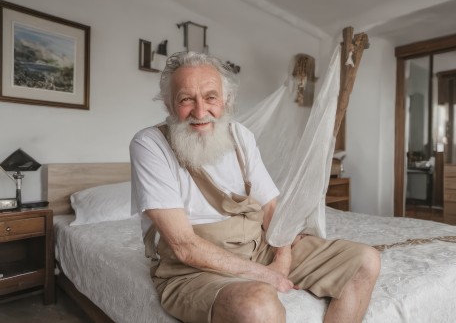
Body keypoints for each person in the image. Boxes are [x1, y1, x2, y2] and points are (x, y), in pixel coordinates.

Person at [130, 51, 380, 323]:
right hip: (193, 269)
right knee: (257, 305)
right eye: (186, 99)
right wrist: (266, 275)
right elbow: (184, 246)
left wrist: (282, 259)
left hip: (258, 248)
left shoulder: (240, 136)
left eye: (211, 97)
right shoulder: (149, 145)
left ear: (226, 100)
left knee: (366, 261)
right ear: (168, 104)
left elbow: (271, 207)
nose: (200, 111)